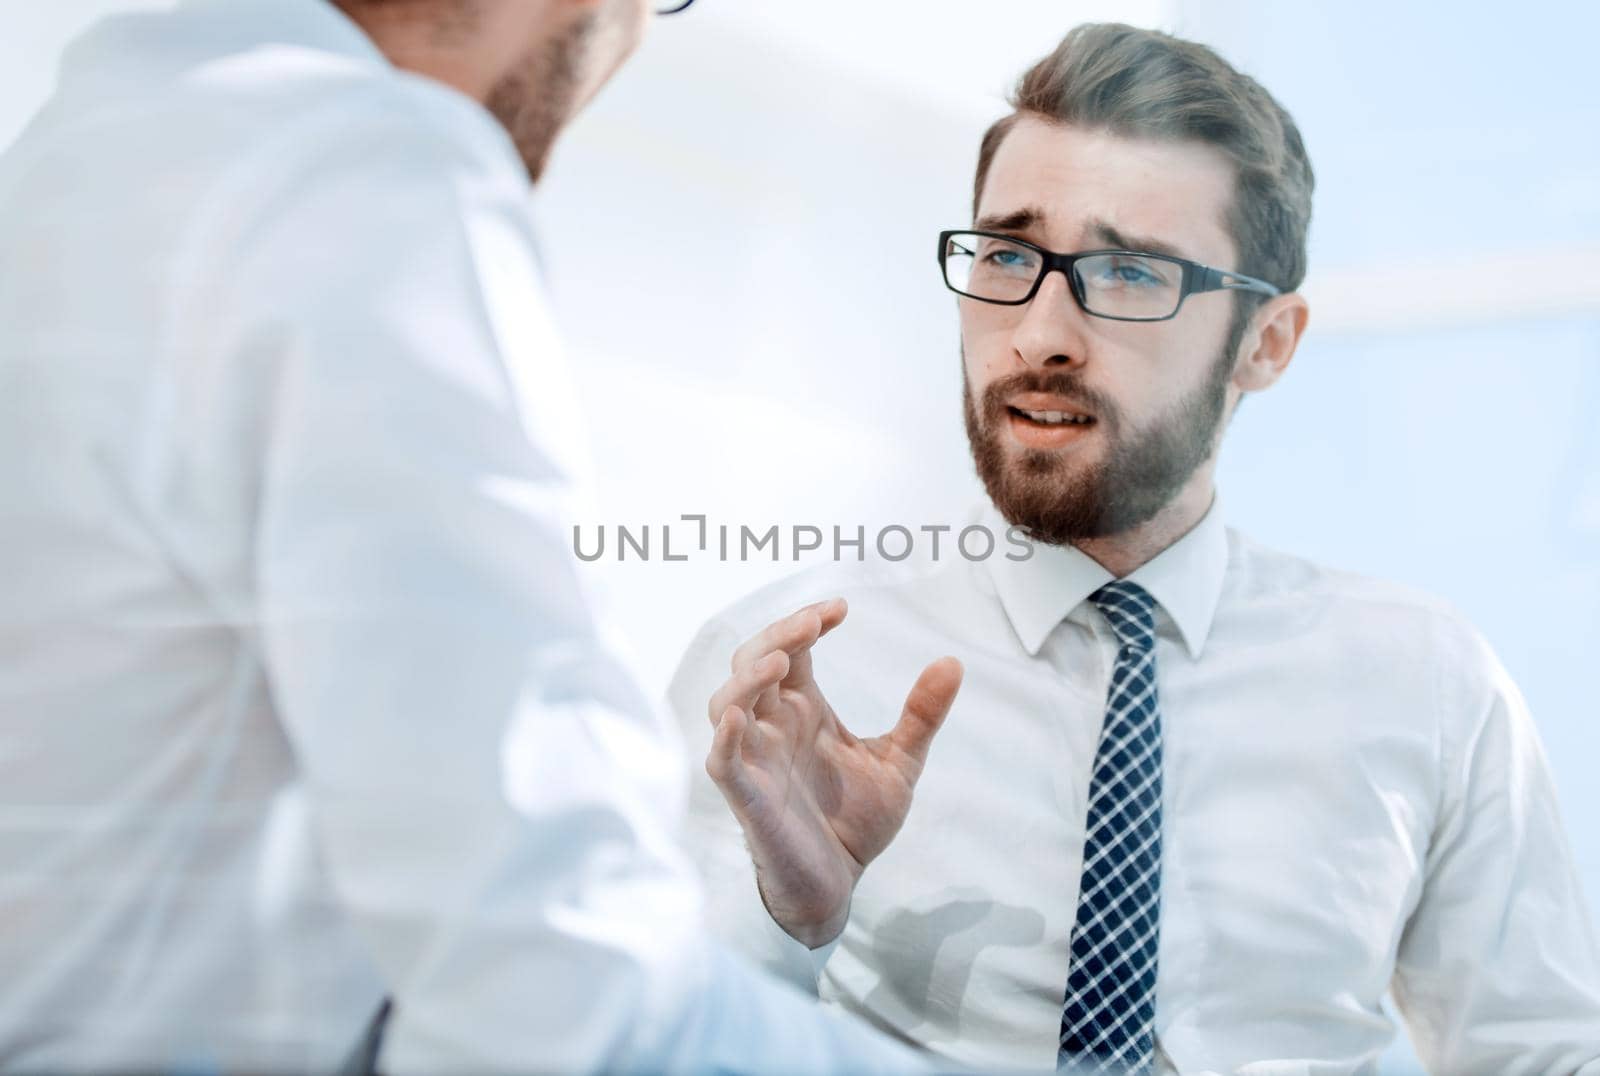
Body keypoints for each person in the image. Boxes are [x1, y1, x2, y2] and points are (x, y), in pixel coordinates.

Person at [0, 0, 947, 1071]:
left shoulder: (88, 146)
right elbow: (552, 1008)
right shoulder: (359, 175)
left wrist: (786, 912)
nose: (633, 36)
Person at [669, 22, 1600, 1076]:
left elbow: (1540, 1054)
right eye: (1009, 255)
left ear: (1267, 343)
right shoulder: (786, 680)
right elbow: (638, 1041)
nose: (1039, 333)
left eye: (1125, 272)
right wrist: (789, 920)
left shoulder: (1427, 681)